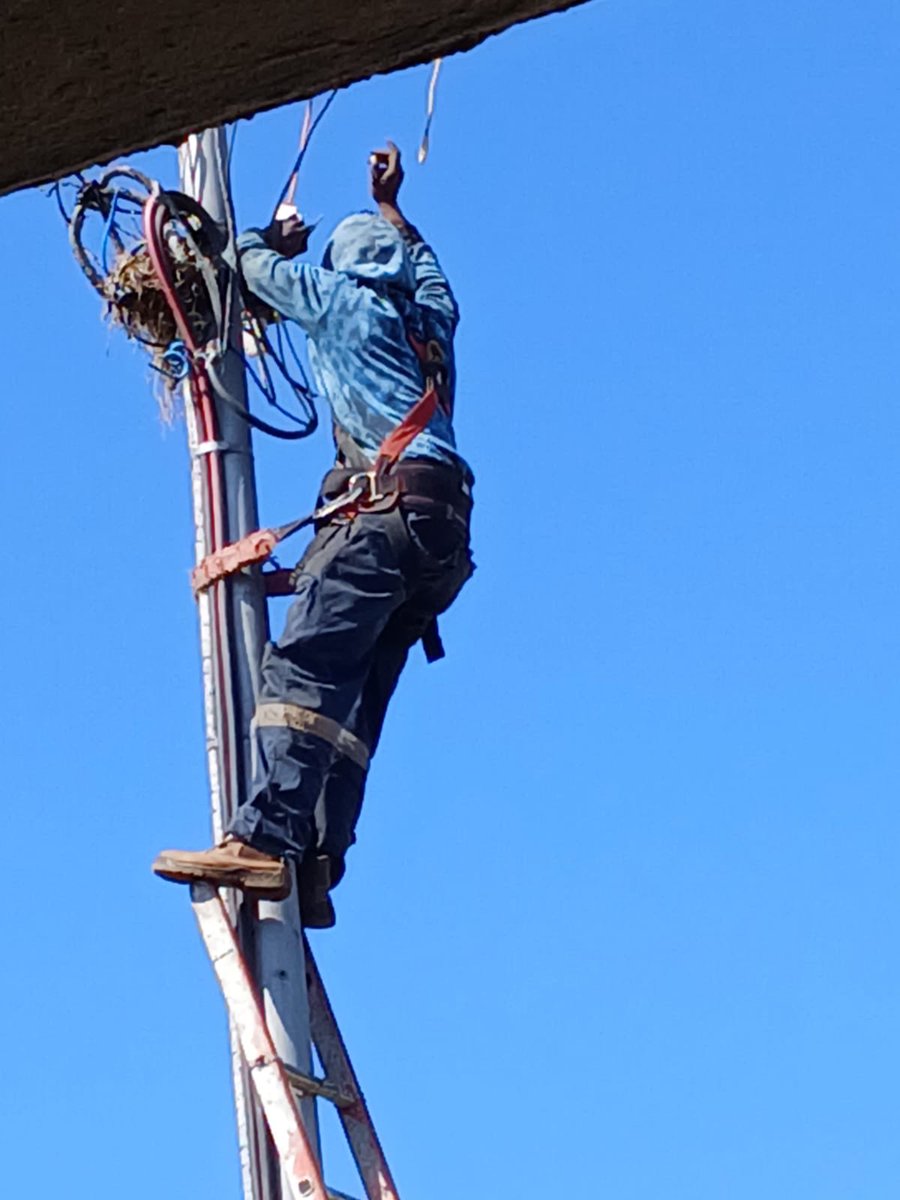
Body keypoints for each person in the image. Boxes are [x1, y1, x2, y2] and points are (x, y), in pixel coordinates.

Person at [153, 142, 474, 925]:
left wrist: (269, 244)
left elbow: (246, 264)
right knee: (356, 702)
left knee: (302, 675)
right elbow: (429, 271)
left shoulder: (338, 301)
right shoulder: (430, 326)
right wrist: (392, 205)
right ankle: (320, 861)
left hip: (385, 517)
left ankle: (263, 841)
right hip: (442, 534)